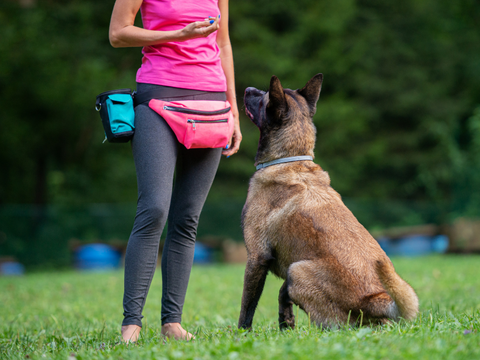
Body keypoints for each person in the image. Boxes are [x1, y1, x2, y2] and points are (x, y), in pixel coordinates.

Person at [108, 0, 241, 342]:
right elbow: (118, 33)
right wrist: (176, 34)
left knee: (186, 218)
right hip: (157, 98)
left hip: (211, 103)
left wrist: (234, 110)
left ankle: (172, 323)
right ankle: (131, 323)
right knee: (153, 209)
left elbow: (223, 43)